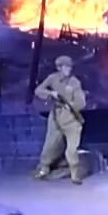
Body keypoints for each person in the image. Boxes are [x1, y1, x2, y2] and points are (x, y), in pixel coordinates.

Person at [33, 55, 87, 184]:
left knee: (72, 150)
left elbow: (81, 102)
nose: (68, 69)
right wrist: (51, 94)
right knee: (50, 144)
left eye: (69, 67)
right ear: (59, 68)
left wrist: (72, 105)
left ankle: (75, 175)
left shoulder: (74, 82)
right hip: (56, 117)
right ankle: (43, 168)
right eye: (65, 67)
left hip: (72, 119)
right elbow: (38, 90)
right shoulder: (53, 78)